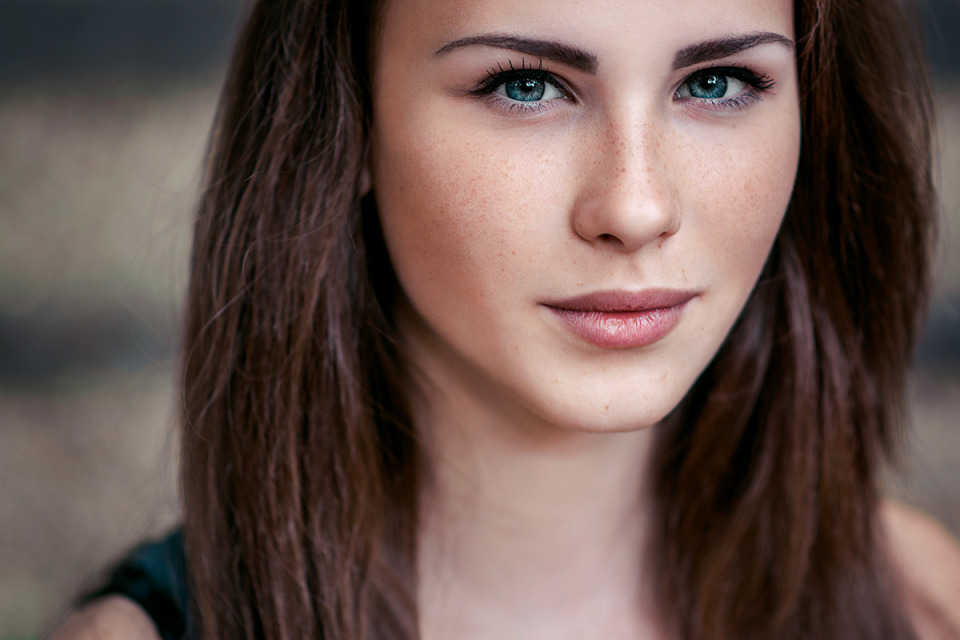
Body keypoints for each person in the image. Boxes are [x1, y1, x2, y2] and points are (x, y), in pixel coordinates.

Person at [52, 0, 960, 638]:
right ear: (352, 117)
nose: (636, 208)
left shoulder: (921, 601)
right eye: (527, 86)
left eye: (718, 82)